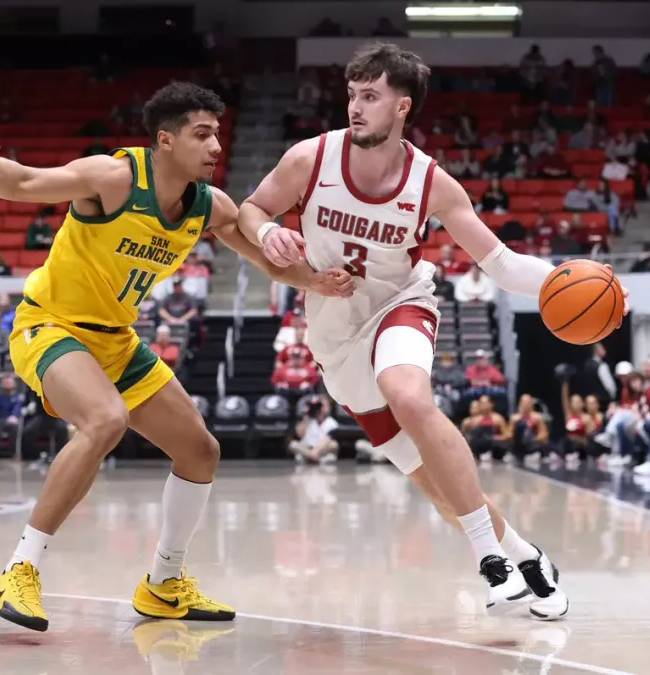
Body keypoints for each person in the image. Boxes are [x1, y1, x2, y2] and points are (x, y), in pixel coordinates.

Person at [238, 43, 628, 619]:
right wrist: (266, 231)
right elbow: (250, 209)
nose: (355, 106)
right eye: (352, 94)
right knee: (440, 490)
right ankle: (526, 556)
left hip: (402, 301)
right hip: (333, 335)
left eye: (370, 96)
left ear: (402, 106)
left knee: (408, 391)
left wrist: (569, 279)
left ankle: (490, 563)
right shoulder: (310, 158)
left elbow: (499, 264)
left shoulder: (432, 183)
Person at [0, 81, 353, 632]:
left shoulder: (209, 206)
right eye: (202, 135)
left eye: (218, 134)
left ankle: (165, 584)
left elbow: (267, 261)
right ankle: (20, 569)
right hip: (51, 324)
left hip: (117, 340)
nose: (216, 146)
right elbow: (23, 182)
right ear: (165, 141)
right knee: (105, 421)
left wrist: (317, 282)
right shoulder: (112, 178)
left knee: (200, 450)